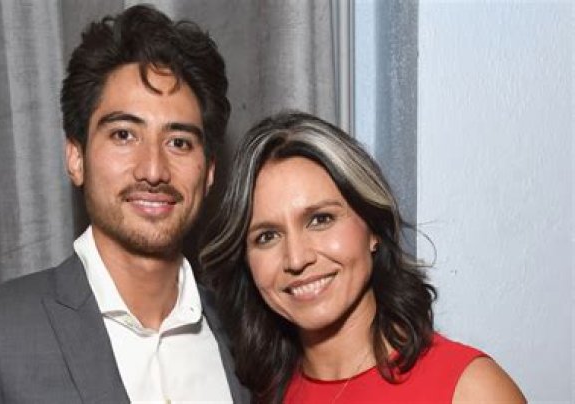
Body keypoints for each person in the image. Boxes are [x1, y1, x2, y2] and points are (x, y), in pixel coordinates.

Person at [0, 5, 248, 403]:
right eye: (124, 135)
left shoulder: (245, 336)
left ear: (208, 173)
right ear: (76, 158)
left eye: (179, 142)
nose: (153, 170)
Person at [200, 111, 525, 403]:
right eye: (267, 236)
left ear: (372, 228)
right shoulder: (254, 395)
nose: (296, 259)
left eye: (321, 219)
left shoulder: (470, 391)